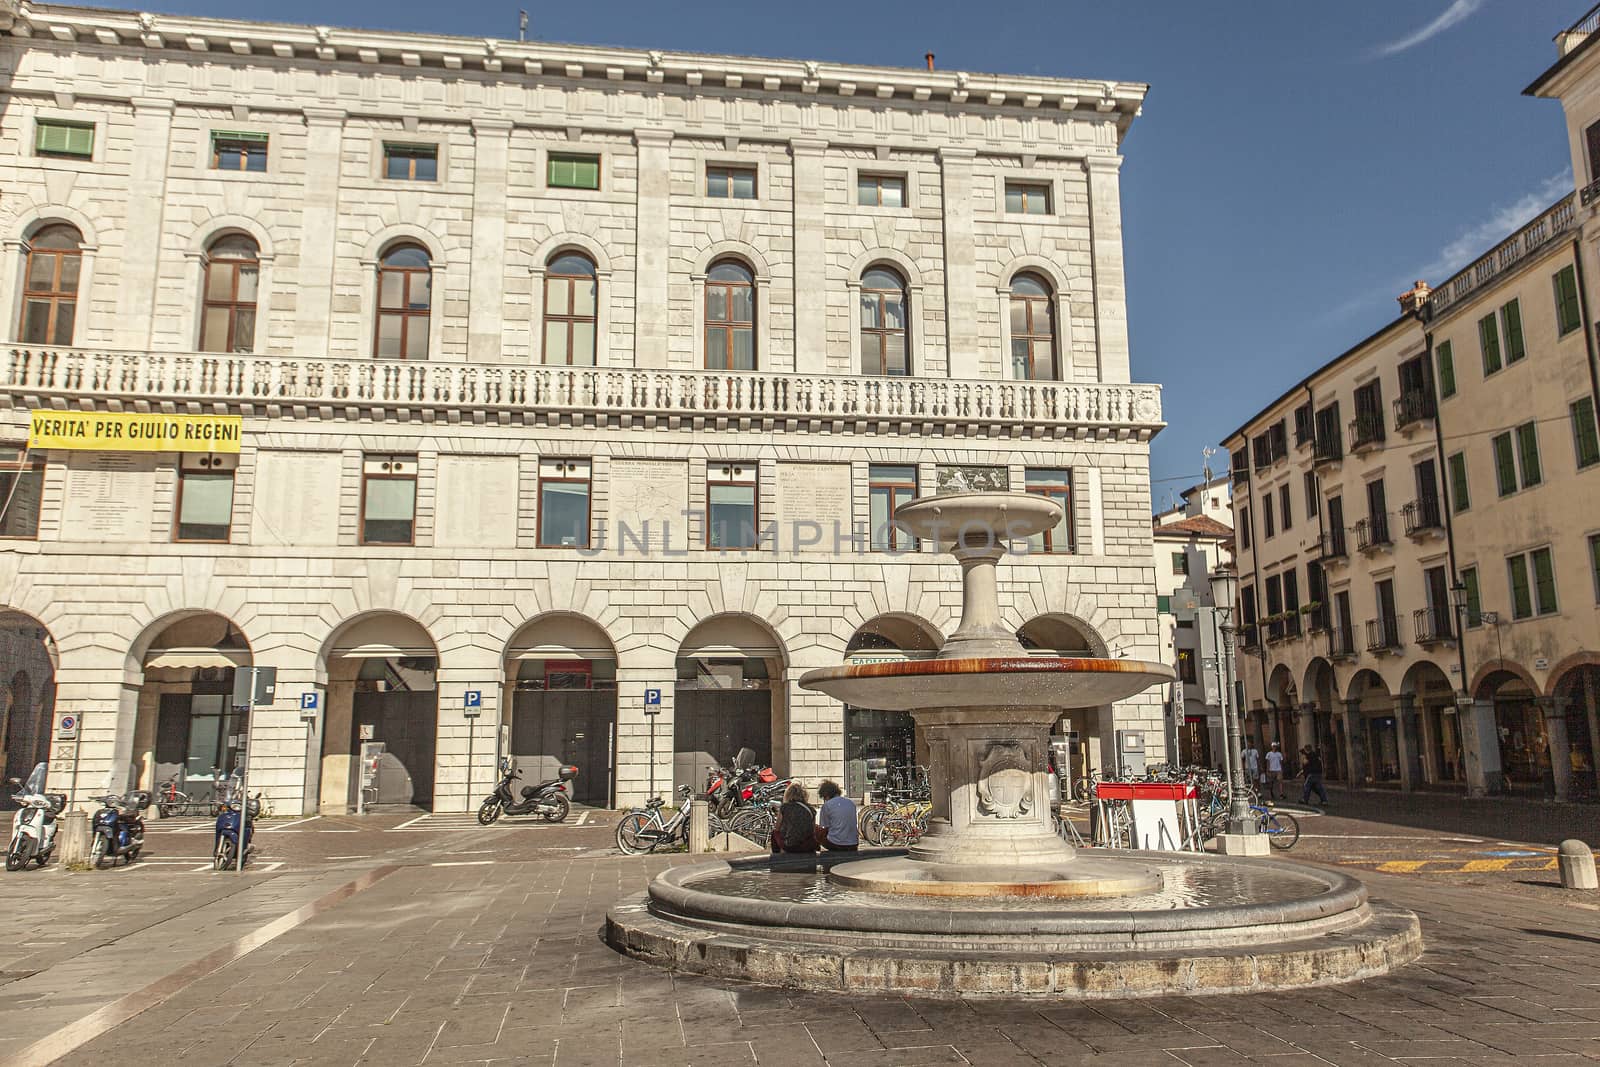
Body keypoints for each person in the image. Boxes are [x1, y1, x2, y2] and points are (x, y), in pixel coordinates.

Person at [771, 781, 818, 854]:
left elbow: (777, 828)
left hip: (789, 846)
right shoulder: (811, 809)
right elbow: (813, 830)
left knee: (774, 833)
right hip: (806, 846)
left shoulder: (785, 807)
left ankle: (776, 856)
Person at [814, 780, 859, 852]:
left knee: (815, 828)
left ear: (826, 796)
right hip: (853, 843)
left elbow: (825, 826)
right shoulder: (851, 803)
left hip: (835, 843)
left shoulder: (827, 805)